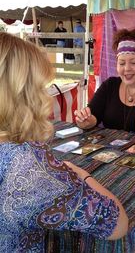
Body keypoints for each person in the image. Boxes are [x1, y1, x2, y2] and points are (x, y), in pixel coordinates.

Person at [0, 32, 128, 252]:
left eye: (133, 61)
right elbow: (118, 225)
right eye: (42, 88)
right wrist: (80, 172)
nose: (47, 96)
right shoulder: (29, 169)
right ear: (23, 94)